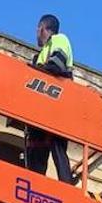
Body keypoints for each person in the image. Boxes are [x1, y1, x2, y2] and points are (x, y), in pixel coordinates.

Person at [25, 14, 75, 184]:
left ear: (41, 28)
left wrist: (36, 70)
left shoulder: (59, 40)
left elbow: (57, 65)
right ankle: (34, 185)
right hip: (42, 108)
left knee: (57, 146)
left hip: (57, 104)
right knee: (36, 150)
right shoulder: (40, 54)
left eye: (37, 29)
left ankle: (66, 186)